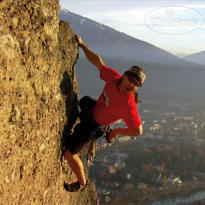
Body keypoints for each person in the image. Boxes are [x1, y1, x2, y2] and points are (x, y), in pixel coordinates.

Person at [63, 34, 146, 192]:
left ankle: (81, 183)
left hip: (94, 127)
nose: (132, 85)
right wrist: (82, 45)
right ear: (125, 75)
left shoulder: (128, 105)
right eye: (131, 80)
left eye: (137, 84)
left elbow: (138, 130)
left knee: (69, 152)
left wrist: (115, 131)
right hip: (93, 110)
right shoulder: (114, 78)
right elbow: (97, 62)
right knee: (84, 100)